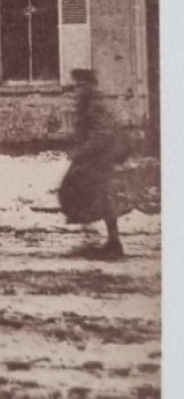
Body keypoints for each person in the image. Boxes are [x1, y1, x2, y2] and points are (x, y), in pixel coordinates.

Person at [57, 69, 132, 258]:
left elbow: (102, 134)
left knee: (76, 189)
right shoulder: (87, 104)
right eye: (75, 87)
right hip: (97, 155)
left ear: (88, 85)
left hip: (102, 155)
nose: (76, 90)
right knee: (94, 194)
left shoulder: (95, 105)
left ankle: (101, 240)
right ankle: (109, 241)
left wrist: (82, 152)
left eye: (80, 86)